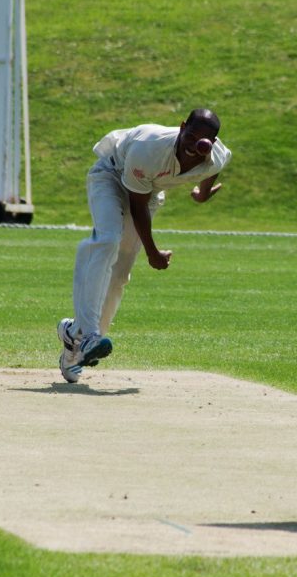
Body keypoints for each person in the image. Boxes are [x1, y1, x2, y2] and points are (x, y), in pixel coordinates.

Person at [57, 109, 231, 382]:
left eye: (202, 142)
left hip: (147, 190)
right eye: (190, 135)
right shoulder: (149, 148)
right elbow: (137, 209)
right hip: (111, 176)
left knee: (120, 275)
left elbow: (215, 166)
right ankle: (90, 334)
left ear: (211, 144)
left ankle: (75, 339)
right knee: (108, 239)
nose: (192, 145)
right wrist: (153, 252)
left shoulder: (215, 155)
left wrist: (203, 193)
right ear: (182, 127)